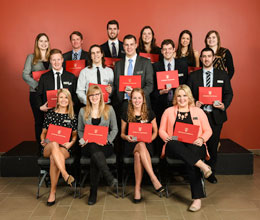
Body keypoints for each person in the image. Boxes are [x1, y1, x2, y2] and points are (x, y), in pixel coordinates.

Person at [159, 85, 212, 211]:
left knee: (191, 158)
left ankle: (197, 199)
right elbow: (161, 129)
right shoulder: (168, 111)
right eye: (179, 96)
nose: (182, 99)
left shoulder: (198, 112)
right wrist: (166, 137)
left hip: (195, 145)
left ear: (189, 97)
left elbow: (208, 130)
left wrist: (201, 139)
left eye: (184, 96)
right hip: (176, 146)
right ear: (175, 98)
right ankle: (203, 166)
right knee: (173, 143)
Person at [187, 48, 233, 184]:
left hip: (215, 116)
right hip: (198, 116)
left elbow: (229, 93)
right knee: (195, 144)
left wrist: (224, 105)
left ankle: (210, 173)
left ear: (213, 58)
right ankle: (195, 171)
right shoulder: (193, 76)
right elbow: (188, 95)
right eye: (204, 57)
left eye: (209, 56)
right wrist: (194, 102)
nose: (206, 59)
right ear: (200, 59)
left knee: (213, 146)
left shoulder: (222, 75)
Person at [121, 88, 164, 203]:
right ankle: (153, 178)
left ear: (143, 99)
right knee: (139, 145)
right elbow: (122, 134)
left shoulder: (149, 112)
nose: (137, 100)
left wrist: (151, 138)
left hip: (147, 144)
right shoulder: (126, 112)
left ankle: (137, 189)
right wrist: (126, 137)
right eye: (134, 98)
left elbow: (156, 131)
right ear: (131, 99)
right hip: (131, 144)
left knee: (138, 155)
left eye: (139, 98)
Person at [78, 85, 118, 205]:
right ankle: (109, 177)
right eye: (92, 95)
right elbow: (80, 130)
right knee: (93, 148)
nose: (94, 97)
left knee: (95, 156)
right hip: (88, 145)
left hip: (105, 145)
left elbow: (114, 129)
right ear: (88, 97)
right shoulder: (82, 111)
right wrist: (82, 140)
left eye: (97, 94)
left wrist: (107, 140)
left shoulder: (109, 109)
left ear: (101, 96)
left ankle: (93, 192)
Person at [40, 89, 77, 206]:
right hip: (48, 146)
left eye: (66, 98)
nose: (63, 100)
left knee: (53, 158)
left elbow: (75, 134)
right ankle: (65, 174)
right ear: (57, 99)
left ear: (69, 100)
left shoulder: (72, 116)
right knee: (54, 144)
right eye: (61, 97)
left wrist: (71, 142)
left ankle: (52, 192)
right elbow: (43, 133)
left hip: (65, 148)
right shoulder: (50, 114)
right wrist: (43, 140)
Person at [22, 33, 51, 151]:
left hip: (50, 94)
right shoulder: (31, 57)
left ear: (48, 43)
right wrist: (38, 86)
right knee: (39, 121)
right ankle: (41, 148)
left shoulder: (52, 56)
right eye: (41, 41)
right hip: (35, 94)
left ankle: (50, 146)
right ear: (37, 43)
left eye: (46, 41)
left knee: (51, 121)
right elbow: (25, 74)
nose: (43, 43)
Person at [113, 34, 154, 117]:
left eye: (131, 44)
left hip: (141, 105)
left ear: (136, 45)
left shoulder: (146, 62)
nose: (129, 47)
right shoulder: (118, 64)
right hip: (123, 104)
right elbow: (116, 84)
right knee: (123, 130)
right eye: (126, 45)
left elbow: (150, 85)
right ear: (123, 46)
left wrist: (137, 96)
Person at [152, 39, 188, 124]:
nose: (167, 51)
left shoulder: (183, 65)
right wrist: (160, 92)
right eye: (164, 49)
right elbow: (151, 88)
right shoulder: (155, 67)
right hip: (160, 105)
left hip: (179, 104)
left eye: (169, 49)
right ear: (161, 51)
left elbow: (186, 84)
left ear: (174, 50)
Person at [35, 49, 78, 113]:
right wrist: (40, 107)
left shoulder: (71, 77)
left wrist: (72, 105)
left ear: (62, 60)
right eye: (54, 60)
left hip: (68, 111)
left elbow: (75, 95)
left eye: (58, 59)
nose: (56, 62)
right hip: (50, 112)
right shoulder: (44, 77)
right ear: (50, 61)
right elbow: (38, 94)